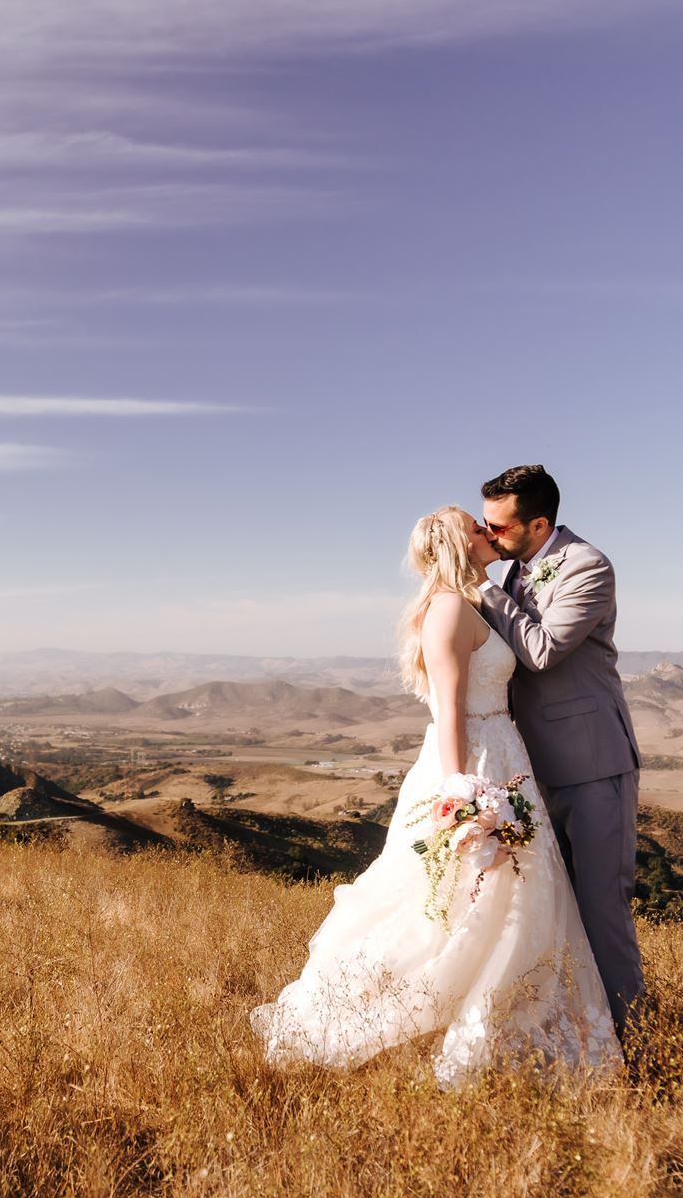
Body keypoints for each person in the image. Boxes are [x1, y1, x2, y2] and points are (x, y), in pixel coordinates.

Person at [250, 506, 619, 1088]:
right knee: (461, 898)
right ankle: (447, 1019)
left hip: (502, 754)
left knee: (508, 898)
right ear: (457, 544)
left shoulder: (470, 602)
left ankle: (507, 1019)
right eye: (478, 528)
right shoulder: (448, 609)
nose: (488, 533)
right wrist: (463, 793)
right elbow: (449, 710)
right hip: (473, 762)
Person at [477, 465, 644, 1036]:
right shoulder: (515, 570)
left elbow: (543, 650)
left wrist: (483, 591)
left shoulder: (588, 567)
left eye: (498, 526)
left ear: (538, 523)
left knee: (600, 910)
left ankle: (633, 1042)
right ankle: (571, 1034)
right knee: (547, 914)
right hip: (526, 766)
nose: (489, 534)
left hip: (591, 762)